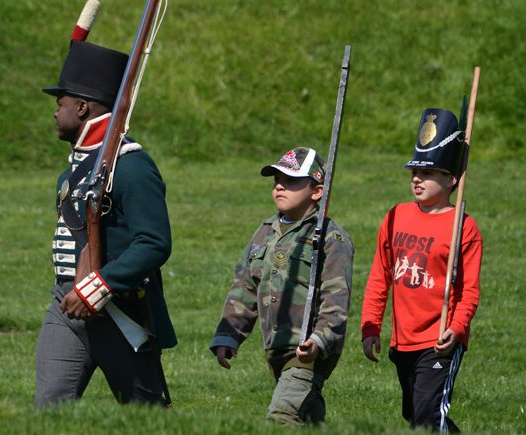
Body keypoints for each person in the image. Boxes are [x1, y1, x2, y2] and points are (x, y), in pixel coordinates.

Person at [34, 40, 177, 407]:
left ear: (82, 107)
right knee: (48, 410)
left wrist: (99, 286)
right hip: (65, 303)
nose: (55, 112)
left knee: (146, 416)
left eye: (60, 103)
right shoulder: (76, 168)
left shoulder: (131, 165)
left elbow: (154, 243)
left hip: (119, 307)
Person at [210, 147, 354, 425]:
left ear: (317, 191)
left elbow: (336, 299)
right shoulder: (265, 232)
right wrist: (229, 335)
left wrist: (320, 339)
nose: (279, 186)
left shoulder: (330, 238)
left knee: (282, 417)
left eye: (291, 181)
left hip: (308, 349)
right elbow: (244, 287)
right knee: (307, 419)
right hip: (275, 346)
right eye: (277, 179)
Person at [360, 108, 483, 432]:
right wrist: (370, 326)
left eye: (427, 173)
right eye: (414, 171)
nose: (417, 178)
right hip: (402, 340)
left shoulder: (464, 227)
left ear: (450, 179)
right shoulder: (395, 216)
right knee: (416, 415)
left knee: (428, 420)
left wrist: (455, 329)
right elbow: (379, 277)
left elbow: (469, 290)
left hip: (439, 338)